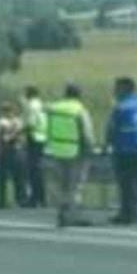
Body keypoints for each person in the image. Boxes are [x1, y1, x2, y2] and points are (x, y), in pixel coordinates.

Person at [45, 82, 97, 227]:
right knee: (75, 185)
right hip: (76, 152)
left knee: (61, 184)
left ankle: (62, 212)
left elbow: (47, 127)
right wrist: (90, 148)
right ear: (79, 95)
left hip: (57, 150)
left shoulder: (54, 109)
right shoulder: (79, 110)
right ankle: (72, 215)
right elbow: (86, 133)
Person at [105, 76, 137, 225]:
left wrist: (107, 144)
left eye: (117, 88)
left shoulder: (120, 107)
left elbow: (112, 128)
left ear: (125, 89)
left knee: (126, 184)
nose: (114, 91)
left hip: (123, 149)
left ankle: (127, 214)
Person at [0, 101, 26, 209]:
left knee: (4, 177)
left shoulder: (2, 122)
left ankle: (3, 200)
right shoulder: (18, 121)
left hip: (6, 151)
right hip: (17, 150)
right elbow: (21, 137)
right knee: (18, 177)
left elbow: (0, 138)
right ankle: (20, 199)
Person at [21, 85, 48, 207]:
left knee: (32, 170)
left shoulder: (31, 106)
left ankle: (34, 199)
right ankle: (41, 198)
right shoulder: (40, 104)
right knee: (38, 169)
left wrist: (19, 132)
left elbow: (30, 123)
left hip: (33, 137)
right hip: (42, 138)